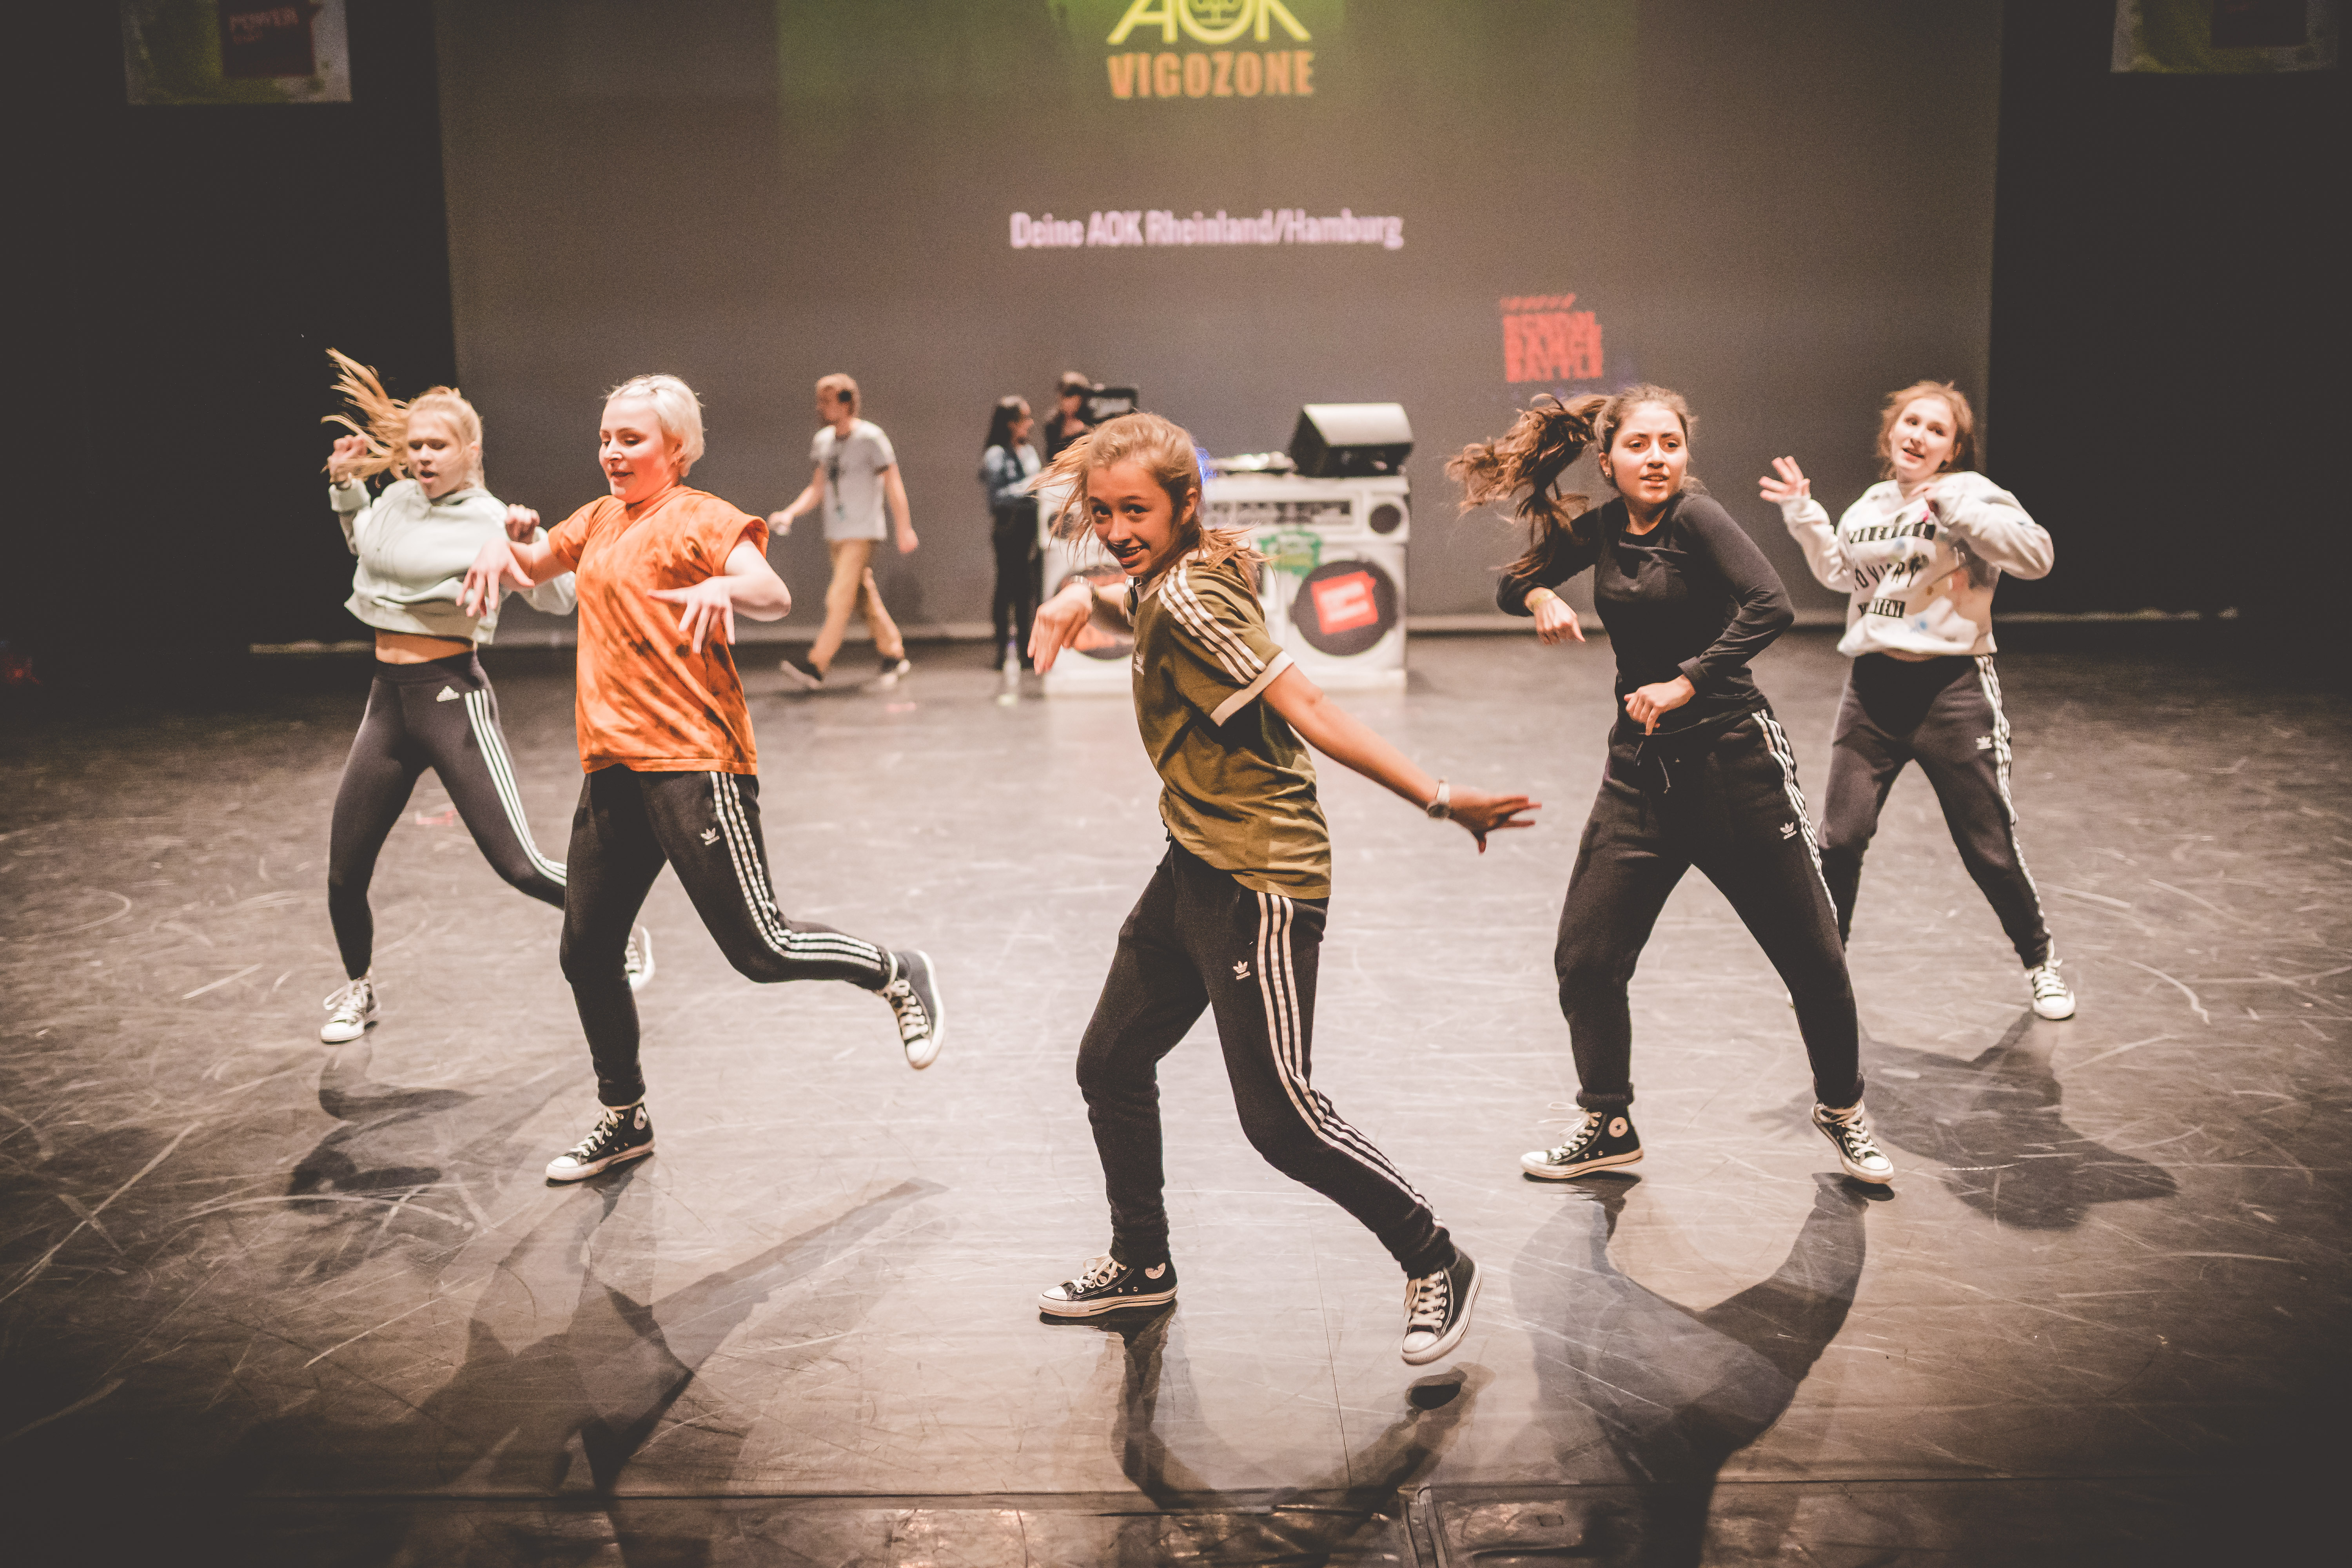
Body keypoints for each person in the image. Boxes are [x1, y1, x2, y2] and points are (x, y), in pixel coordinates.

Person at [1026, 411, 1537, 1365]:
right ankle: (1142, 1263)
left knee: (1282, 1120)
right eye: (1102, 512)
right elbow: (1144, 598)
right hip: (1194, 860)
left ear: (1185, 502)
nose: (1117, 529)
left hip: (1258, 877)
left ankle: (1437, 1256)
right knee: (1111, 1061)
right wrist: (1078, 595)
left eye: (1135, 510)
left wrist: (1437, 797)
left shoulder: (1192, 595)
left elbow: (1308, 705)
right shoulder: (1175, 572)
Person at [460, 373, 944, 1181]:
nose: (613, 453)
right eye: (606, 438)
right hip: (613, 766)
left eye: (632, 439)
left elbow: (771, 590)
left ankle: (896, 970)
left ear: (677, 448)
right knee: (586, 950)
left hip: (694, 762)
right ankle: (624, 1116)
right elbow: (531, 564)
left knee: (762, 947)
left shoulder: (701, 516)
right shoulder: (599, 519)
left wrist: (723, 584)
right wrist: (495, 546)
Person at [1455, 388, 1894, 1187]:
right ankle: (1608, 1122)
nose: (1657, 458)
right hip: (1641, 775)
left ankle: (1842, 1107)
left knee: (1814, 958)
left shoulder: (1698, 518)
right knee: (1587, 958)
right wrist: (1543, 594)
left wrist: (1688, 681)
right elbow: (1513, 583)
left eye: (1671, 444)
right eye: (1639, 445)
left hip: (1736, 767)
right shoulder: (1604, 530)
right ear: (1608, 459)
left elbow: (1771, 605)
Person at [313, 351, 649, 1047]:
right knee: (345, 872)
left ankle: (623, 927)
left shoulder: (494, 519)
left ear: (471, 452)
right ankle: (358, 989)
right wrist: (347, 489)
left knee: (518, 865)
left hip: (450, 698)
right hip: (386, 703)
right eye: (415, 446)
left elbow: (560, 598)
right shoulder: (395, 501)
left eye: (437, 446)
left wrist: (529, 546)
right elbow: (366, 548)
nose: (422, 457)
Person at [1760, 381, 2071, 1019]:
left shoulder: (1971, 492)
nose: (1919, 436)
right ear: (1891, 432)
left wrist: (1959, 511)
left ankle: (2041, 962)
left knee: (1988, 848)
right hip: (1872, 693)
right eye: (1911, 423)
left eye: (1936, 430)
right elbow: (1844, 575)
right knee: (1839, 841)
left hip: (1951, 695)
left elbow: (2037, 557)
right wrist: (1805, 516)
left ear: (1952, 450)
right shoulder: (1871, 505)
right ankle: (1826, 971)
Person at [770, 374, 916, 690]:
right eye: (820, 400)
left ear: (847, 402)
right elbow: (817, 488)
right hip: (836, 533)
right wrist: (790, 513)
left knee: (839, 597)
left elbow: (893, 483)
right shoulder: (823, 442)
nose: (821, 407)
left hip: (862, 532)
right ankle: (894, 653)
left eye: (828, 400)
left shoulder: (871, 438)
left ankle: (816, 665)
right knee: (863, 596)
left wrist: (904, 527)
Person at [979, 395, 1042, 670]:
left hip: (1030, 530)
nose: (1030, 423)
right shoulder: (995, 455)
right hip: (1008, 531)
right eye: (1025, 418)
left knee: (1026, 590)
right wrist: (1031, 486)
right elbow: (997, 497)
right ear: (1011, 423)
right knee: (1006, 588)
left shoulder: (1029, 452)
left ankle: (1028, 649)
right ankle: (1003, 650)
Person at [1040, 371, 1094, 461]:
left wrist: (1084, 431)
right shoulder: (1053, 423)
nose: (1068, 404)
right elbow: (1051, 455)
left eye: (1075, 401)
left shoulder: (1090, 419)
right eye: (1065, 398)